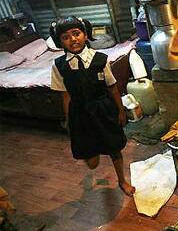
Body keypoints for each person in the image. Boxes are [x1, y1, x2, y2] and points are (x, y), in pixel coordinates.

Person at [50, 16, 135, 196]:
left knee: (114, 148)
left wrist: (120, 111)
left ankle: (122, 180)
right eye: (66, 37)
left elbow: (112, 88)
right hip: (79, 114)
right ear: (60, 42)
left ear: (85, 35)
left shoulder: (100, 60)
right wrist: (69, 121)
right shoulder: (59, 66)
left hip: (103, 109)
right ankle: (92, 151)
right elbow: (65, 95)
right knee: (92, 162)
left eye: (76, 33)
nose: (73, 39)